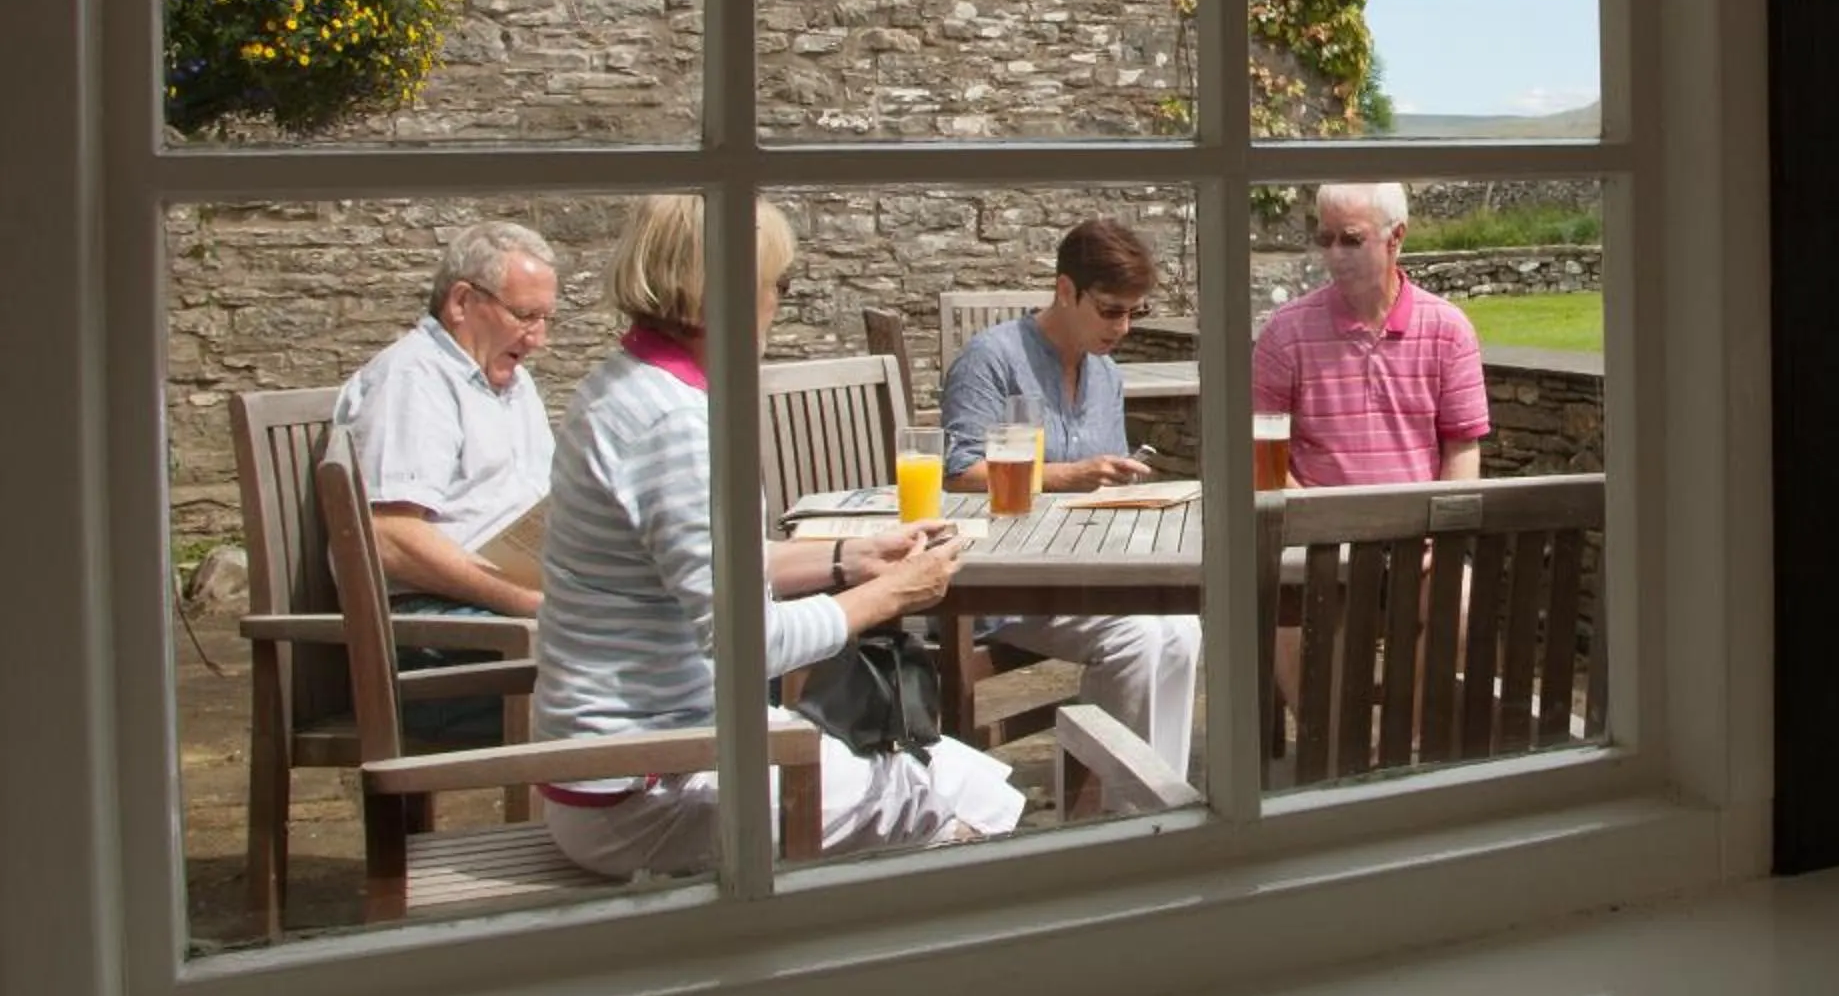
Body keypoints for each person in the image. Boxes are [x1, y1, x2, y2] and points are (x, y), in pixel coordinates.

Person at [533, 195, 1022, 877]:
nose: (777, 302)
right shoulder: (676, 424)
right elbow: (747, 644)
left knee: (964, 777)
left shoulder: (627, 387)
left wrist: (851, 557)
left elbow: (708, 566)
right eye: (779, 283)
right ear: (731, 289)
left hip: (628, 768)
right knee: (976, 803)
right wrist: (890, 596)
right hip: (648, 791)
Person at [939, 218, 1199, 789]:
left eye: (1133, 313)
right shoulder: (992, 359)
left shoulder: (1106, 374)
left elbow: (1103, 484)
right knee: (1138, 637)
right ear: (1065, 290)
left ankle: (1160, 800)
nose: (1122, 328)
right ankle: (1113, 809)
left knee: (1182, 627)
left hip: (1086, 570)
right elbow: (958, 474)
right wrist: (1068, 476)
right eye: (1110, 311)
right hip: (1005, 578)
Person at [331, 220, 561, 740]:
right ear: (462, 302)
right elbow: (387, 537)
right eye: (526, 316)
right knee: (649, 674)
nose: (539, 339)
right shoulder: (413, 379)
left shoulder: (513, 382)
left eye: (546, 319)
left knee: (680, 646)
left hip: (502, 619)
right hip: (433, 643)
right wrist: (526, 602)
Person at [1251, 182, 1490, 488]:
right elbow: (1260, 453)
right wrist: (1314, 514)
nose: (1335, 254)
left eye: (1351, 240)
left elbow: (1462, 447)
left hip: (1416, 519)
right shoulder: (1285, 333)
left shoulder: (1449, 331)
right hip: (1314, 519)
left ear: (1396, 236)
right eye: (1325, 239)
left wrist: (1444, 517)